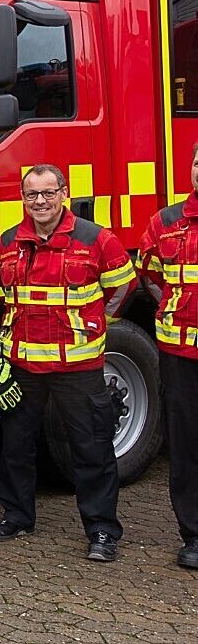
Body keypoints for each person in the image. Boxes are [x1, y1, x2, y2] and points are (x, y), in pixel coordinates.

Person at [0, 164, 136, 562]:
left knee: (91, 449)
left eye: (48, 193)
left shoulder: (95, 238)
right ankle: (16, 516)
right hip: (24, 364)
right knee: (16, 447)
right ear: (23, 198)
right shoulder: (8, 241)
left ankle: (102, 531)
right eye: (32, 195)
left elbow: (124, 284)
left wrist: (96, 324)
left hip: (78, 367)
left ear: (64, 193)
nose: (40, 202)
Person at [139, 143, 198, 569]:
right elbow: (153, 277)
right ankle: (193, 534)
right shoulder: (165, 223)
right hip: (181, 352)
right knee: (187, 442)